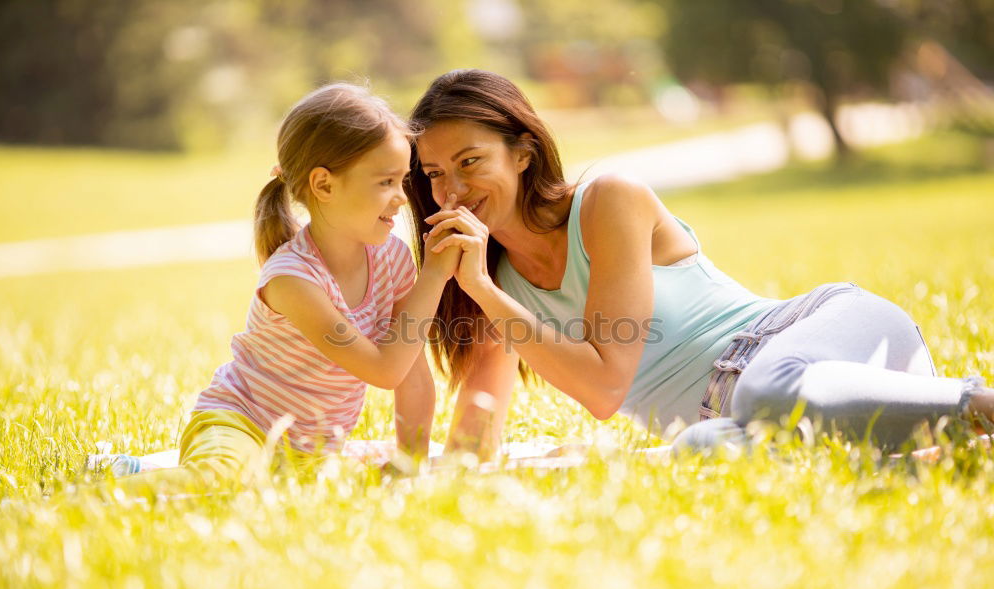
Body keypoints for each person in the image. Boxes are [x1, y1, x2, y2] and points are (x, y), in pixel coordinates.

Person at [404, 69, 992, 459]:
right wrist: (402, 464)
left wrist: (482, 288)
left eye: (470, 161)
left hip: (820, 338)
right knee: (699, 449)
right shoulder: (491, 282)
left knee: (765, 394)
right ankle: (939, 451)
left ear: (523, 153)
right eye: (433, 174)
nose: (450, 189)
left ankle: (977, 407)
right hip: (774, 409)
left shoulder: (608, 200)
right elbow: (473, 440)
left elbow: (606, 387)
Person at [105, 83, 460, 495]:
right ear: (324, 186)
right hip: (241, 424)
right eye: (385, 182)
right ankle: (86, 498)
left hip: (312, 453)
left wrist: (410, 466)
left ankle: (131, 471)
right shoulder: (293, 279)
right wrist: (434, 275)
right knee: (223, 480)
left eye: (402, 180)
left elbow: (412, 375)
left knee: (340, 488)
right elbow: (384, 369)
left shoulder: (392, 261)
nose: (401, 198)